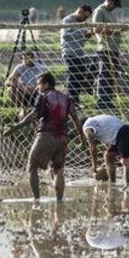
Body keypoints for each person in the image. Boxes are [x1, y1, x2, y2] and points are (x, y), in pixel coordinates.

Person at [10, 72, 85, 202]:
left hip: (46, 135)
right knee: (58, 170)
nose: (37, 87)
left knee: (32, 167)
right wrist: (82, 139)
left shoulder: (43, 96)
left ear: (46, 84)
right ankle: (59, 201)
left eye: (39, 84)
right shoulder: (66, 98)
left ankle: (36, 200)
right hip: (63, 138)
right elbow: (76, 120)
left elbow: (34, 114)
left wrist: (17, 126)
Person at [82, 114, 129, 185]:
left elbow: (93, 147)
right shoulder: (96, 121)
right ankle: (113, 183)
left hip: (124, 133)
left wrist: (94, 165)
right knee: (108, 156)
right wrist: (106, 165)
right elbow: (108, 137)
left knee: (125, 161)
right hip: (119, 135)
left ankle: (127, 186)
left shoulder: (86, 127)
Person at [92, 0, 123, 111]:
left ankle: (108, 100)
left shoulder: (110, 13)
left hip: (114, 49)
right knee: (104, 74)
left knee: (111, 75)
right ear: (109, 1)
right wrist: (114, 32)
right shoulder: (99, 11)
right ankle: (102, 101)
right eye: (114, 5)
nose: (115, 8)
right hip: (105, 48)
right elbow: (97, 29)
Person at [59, 4, 93, 103]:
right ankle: (72, 101)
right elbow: (66, 36)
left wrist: (89, 34)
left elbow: (82, 39)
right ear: (80, 11)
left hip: (80, 54)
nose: (86, 18)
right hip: (69, 53)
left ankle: (74, 99)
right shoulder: (68, 20)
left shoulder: (82, 23)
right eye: (85, 16)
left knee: (80, 76)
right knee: (73, 75)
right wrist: (83, 34)